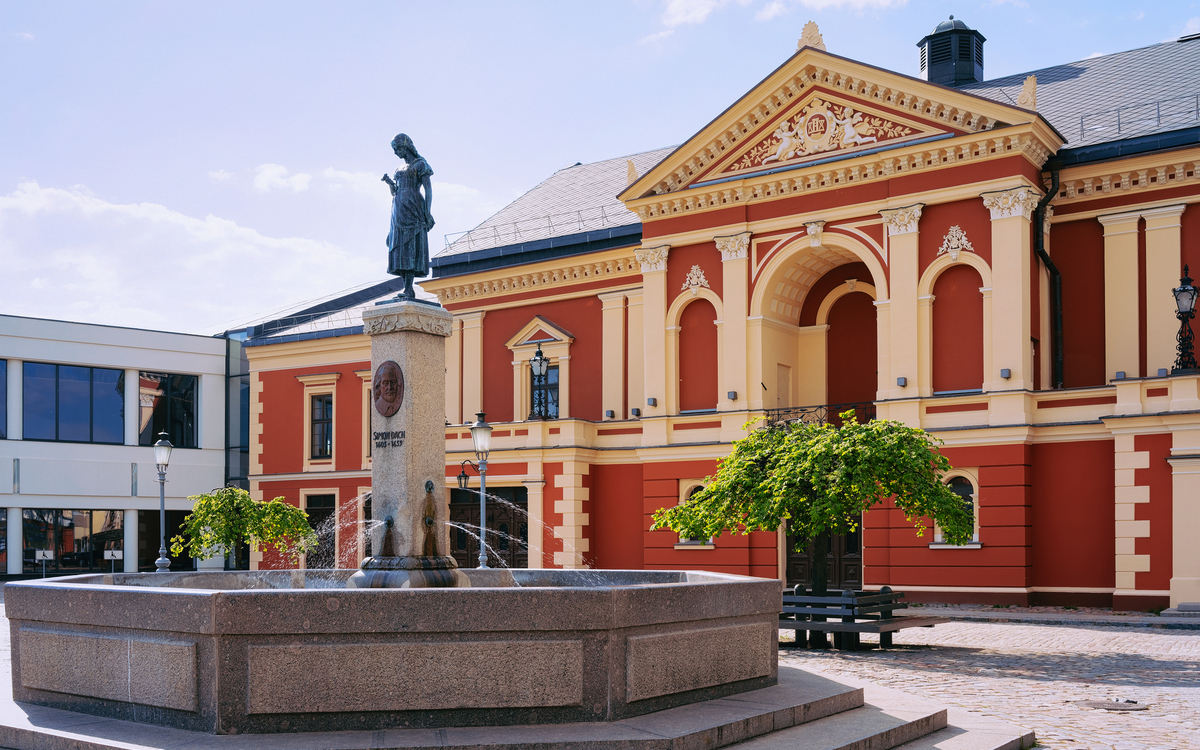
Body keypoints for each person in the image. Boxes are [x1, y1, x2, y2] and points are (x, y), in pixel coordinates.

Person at [383, 134, 435, 299]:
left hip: (414, 208)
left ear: (406, 146)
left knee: (411, 245)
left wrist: (427, 211)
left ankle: (409, 288)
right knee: (400, 247)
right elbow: (395, 192)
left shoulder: (420, 164)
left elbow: (428, 189)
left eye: (397, 148)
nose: (396, 152)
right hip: (398, 210)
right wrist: (391, 185)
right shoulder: (398, 169)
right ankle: (406, 288)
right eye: (394, 150)